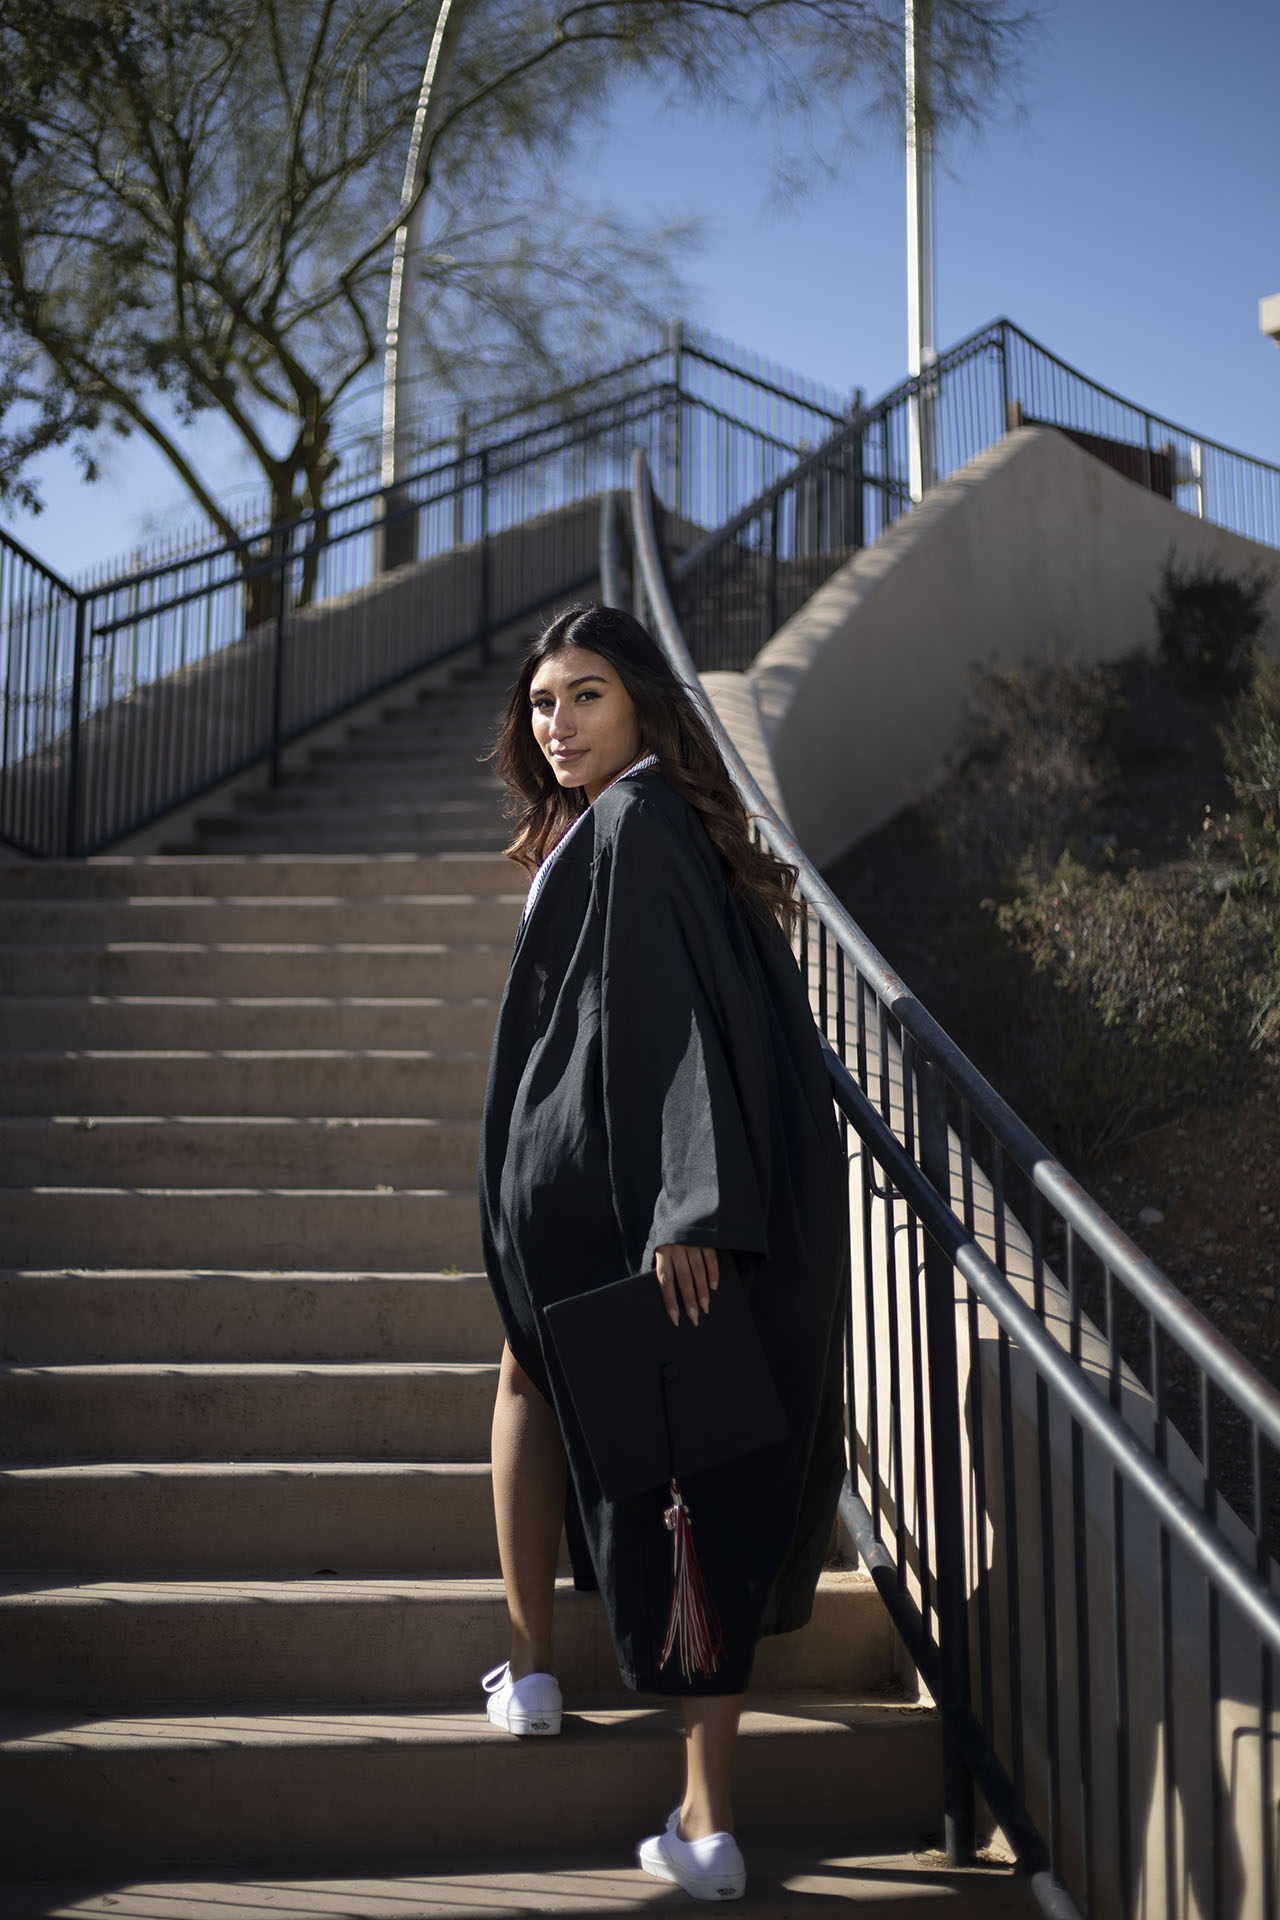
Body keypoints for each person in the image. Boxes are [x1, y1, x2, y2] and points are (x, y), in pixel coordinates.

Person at [477, 603, 848, 1900]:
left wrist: (689, 1201)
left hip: (638, 1189)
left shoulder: (632, 823)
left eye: (586, 696)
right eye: (541, 704)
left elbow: (673, 1019)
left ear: (639, 703)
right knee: (638, 1428)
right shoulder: (634, 823)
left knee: (661, 1446)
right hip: (638, 1179)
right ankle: (697, 1811)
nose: (559, 724)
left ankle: (538, 1675)